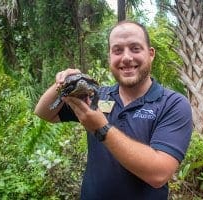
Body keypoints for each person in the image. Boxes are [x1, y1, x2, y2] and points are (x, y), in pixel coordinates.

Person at [34, 20, 193, 200]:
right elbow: (44, 112)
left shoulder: (173, 104)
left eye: (135, 48)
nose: (126, 57)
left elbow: (158, 175)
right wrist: (62, 83)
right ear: (110, 56)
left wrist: (101, 128)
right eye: (117, 50)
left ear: (150, 54)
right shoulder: (94, 95)